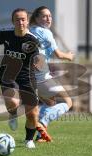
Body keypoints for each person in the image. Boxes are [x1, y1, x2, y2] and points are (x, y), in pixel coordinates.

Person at [0, 8, 49, 148]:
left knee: (32, 113)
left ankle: (28, 140)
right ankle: (12, 114)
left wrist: (40, 66)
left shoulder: (33, 40)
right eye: (17, 19)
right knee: (13, 102)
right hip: (8, 74)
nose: (20, 22)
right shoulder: (5, 33)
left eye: (23, 19)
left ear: (27, 22)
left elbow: (40, 60)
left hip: (27, 77)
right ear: (13, 21)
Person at [29, 6, 75, 142]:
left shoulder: (29, 32)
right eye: (44, 16)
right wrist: (69, 56)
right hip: (42, 77)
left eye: (50, 16)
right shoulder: (46, 32)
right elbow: (59, 54)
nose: (48, 18)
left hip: (28, 78)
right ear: (37, 18)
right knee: (68, 102)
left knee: (50, 103)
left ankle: (40, 135)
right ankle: (41, 123)